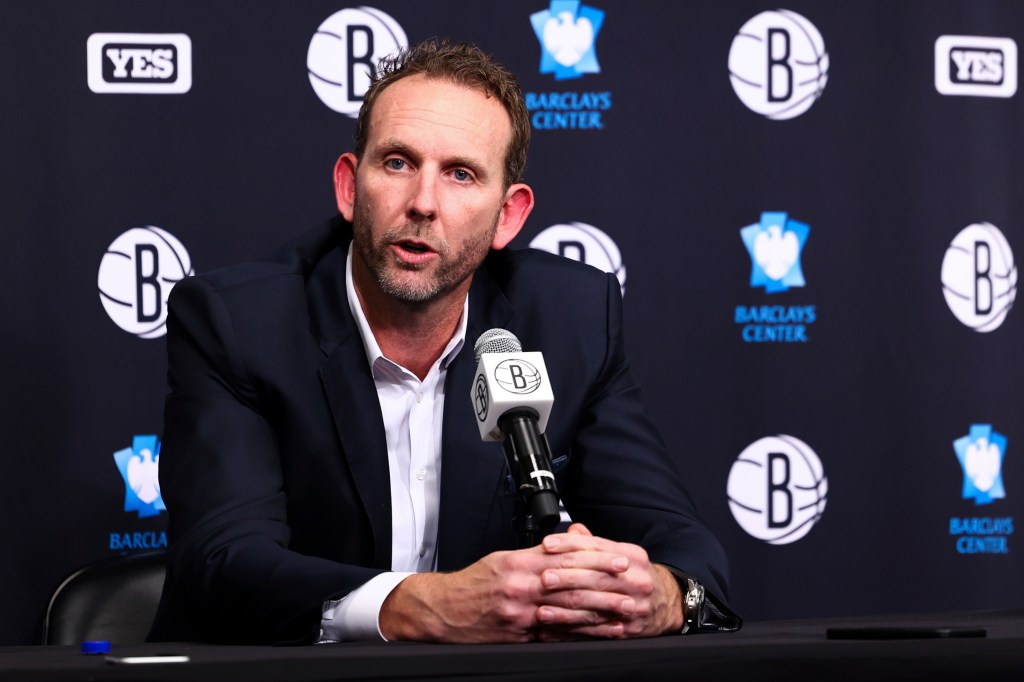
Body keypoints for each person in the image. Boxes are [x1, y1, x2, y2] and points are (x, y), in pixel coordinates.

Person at [149, 39, 739, 645]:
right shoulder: (239, 323)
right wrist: (417, 606)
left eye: (461, 174)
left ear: (508, 216)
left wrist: (659, 594)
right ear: (350, 188)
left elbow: (683, 546)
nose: (423, 204)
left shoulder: (570, 319)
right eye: (398, 163)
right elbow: (224, 564)